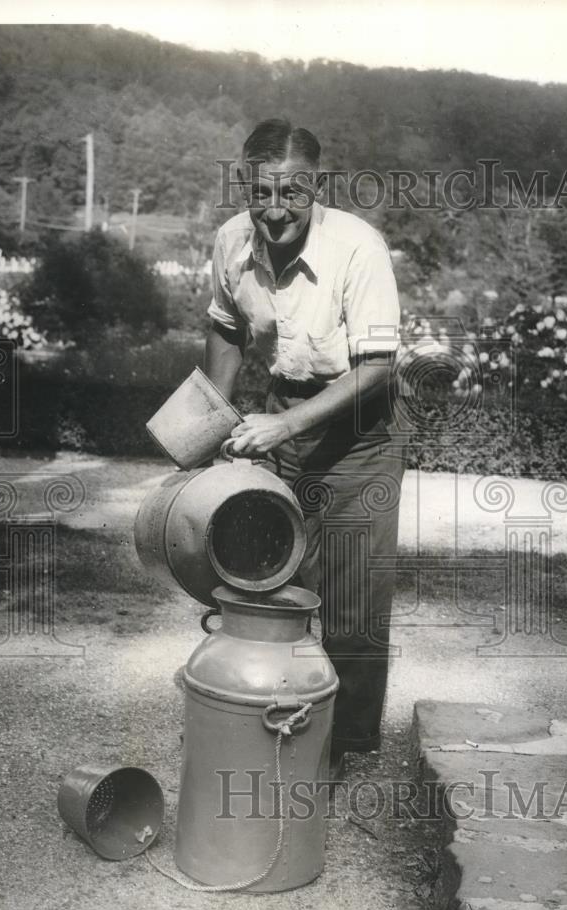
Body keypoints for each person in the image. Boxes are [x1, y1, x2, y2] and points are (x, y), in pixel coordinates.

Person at [204, 118, 407, 777]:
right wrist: (209, 422)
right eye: (261, 193)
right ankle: (268, 720)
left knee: (349, 609)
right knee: (263, 580)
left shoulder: (358, 247)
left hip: (357, 431)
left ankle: (345, 750)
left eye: (290, 194)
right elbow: (227, 329)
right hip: (280, 413)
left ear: (315, 187)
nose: (273, 211)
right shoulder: (231, 241)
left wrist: (284, 428)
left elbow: (375, 368)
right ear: (245, 184)